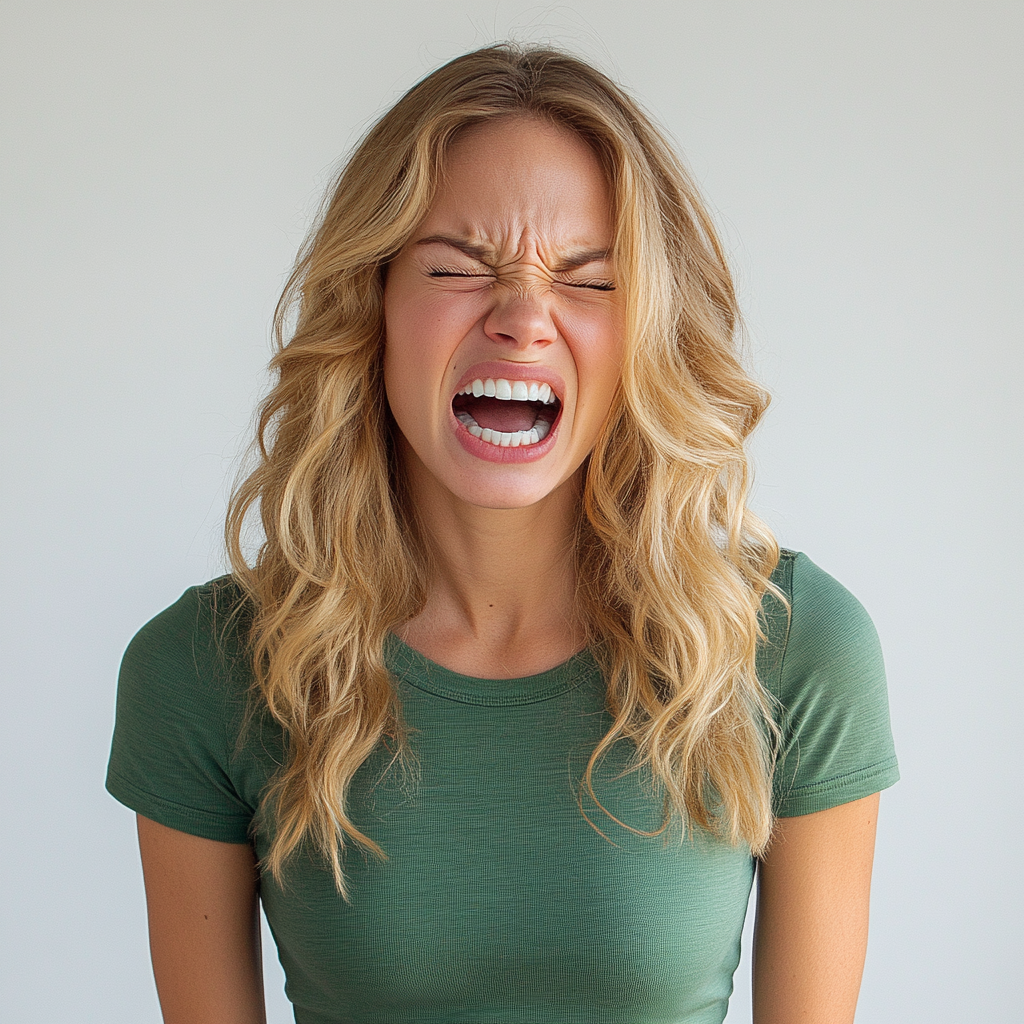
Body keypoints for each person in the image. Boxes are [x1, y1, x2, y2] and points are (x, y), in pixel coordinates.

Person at [106, 44, 899, 1024]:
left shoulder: (795, 644)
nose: (523, 318)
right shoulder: (201, 667)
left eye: (589, 280)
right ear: (373, 306)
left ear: (647, 330)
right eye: (455, 267)